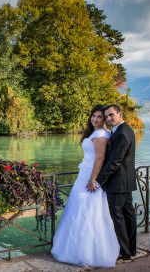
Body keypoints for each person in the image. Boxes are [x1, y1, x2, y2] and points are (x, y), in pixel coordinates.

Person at [51, 105, 120, 267]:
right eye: (93, 116)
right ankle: (76, 248)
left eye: (99, 117)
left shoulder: (102, 134)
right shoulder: (97, 133)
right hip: (85, 174)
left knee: (87, 210)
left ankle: (87, 252)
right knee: (79, 209)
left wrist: (93, 180)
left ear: (104, 119)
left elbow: (100, 159)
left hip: (90, 176)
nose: (95, 119)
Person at [90, 104, 137, 261]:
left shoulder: (123, 133)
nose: (109, 119)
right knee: (128, 215)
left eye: (111, 115)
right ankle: (131, 249)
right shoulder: (124, 130)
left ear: (120, 114)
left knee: (118, 216)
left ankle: (125, 252)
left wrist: (99, 180)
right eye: (107, 116)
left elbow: (115, 162)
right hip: (126, 181)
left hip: (117, 183)